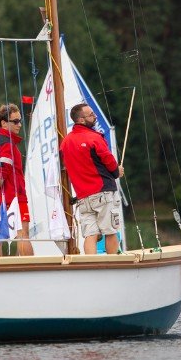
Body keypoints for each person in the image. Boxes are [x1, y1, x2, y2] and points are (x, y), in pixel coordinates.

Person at [59, 103, 124, 255]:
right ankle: (113, 264)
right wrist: (117, 171)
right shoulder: (95, 138)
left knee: (90, 235)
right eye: (91, 115)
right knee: (110, 231)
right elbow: (109, 162)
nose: (95, 117)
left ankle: (92, 265)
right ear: (81, 120)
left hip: (83, 197)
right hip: (103, 192)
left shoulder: (65, 143)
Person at [0, 103, 33, 256]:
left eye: (20, 121)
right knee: (22, 234)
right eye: (15, 121)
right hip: (14, 197)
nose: (20, 125)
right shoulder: (7, 143)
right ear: (4, 123)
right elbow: (3, 169)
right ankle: (30, 268)